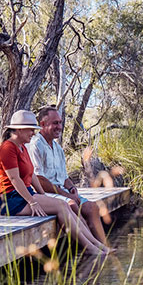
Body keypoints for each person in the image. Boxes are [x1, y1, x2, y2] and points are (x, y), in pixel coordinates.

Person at [0, 109, 110, 256]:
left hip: (24, 195)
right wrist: (33, 202)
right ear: (19, 129)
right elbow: (14, 179)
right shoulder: (7, 148)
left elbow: (33, 177)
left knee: (64, 206)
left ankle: (97, 244)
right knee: (62, 206)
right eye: (30, 129)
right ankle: (90, 248)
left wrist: (43, 196)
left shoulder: (22, 147)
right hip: (9, 199)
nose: (33, 133)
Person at [27, 105, 109, 247]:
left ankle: (104, 245)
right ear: (43, 124)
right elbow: (39, 180)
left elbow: (64, 177)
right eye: (55, 123)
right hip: (45, 193)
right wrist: (66, 195)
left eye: (60, 122)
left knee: (92, 207)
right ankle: (91, 247)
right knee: (72, 205)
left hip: (62, 192)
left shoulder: (57, 148)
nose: (59, 126)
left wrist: (71, 188)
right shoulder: (35, 145)